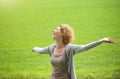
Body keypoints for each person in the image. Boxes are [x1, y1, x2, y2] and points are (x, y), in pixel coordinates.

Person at [32, 24, 116, 79]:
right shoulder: (51, 48)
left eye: (56, 29)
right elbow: (41, 50)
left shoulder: (69, 48)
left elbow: (84, 47)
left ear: (62, 34)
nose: (53, 30)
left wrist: (101, 40)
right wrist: (35, 48)